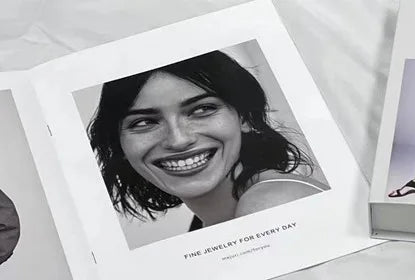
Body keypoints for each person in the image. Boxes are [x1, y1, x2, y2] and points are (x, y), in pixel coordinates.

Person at [88, 50, 326, 231]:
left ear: (244, 117)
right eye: (143, 122)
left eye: (202, 109)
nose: (178, 140)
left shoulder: (272, 205)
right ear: (119, 145)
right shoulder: (205, 223)